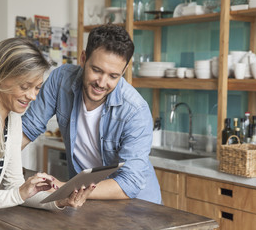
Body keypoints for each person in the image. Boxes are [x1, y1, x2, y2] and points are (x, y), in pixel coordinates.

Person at [0, 38, 94, 229]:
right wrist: (17, 194)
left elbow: (15, 186)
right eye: (25, 86)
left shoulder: (13, 121)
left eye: (37, 88)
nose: (32, 96)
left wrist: (60, 199)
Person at [22, 24, 162, 204]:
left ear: (124, 71)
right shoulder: (61, 80)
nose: (102, 83)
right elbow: (27, 129)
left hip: (136, 206)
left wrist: (65, 188)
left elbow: (130, 183)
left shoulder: (135, 111)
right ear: (83, 58)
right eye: (96, 70)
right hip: (86, 201)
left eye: (113, 76)